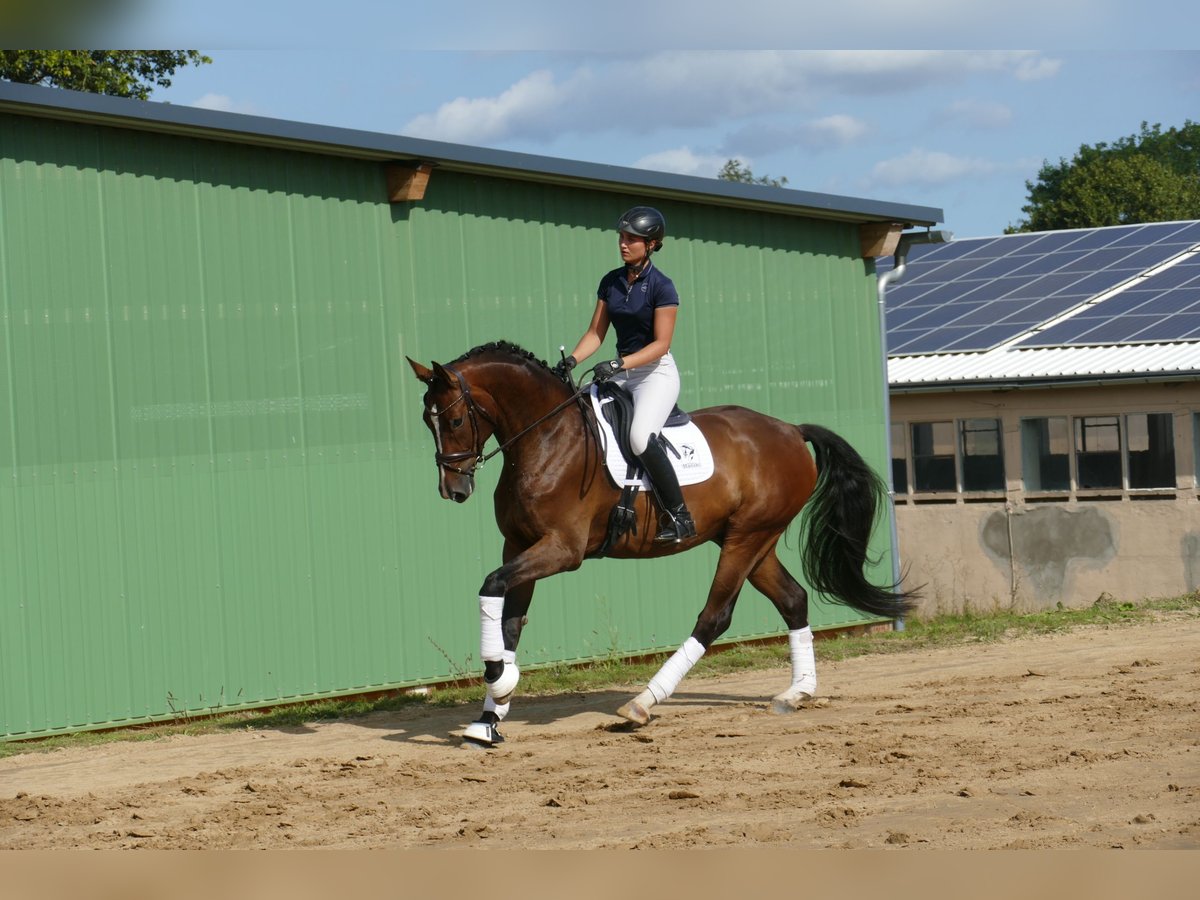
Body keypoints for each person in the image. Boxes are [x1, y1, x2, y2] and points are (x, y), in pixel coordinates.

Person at [555, 206, 697, 543]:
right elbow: (595, 334)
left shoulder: (662, 286)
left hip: (654, 374)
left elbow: (661, 344)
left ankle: (679, 516)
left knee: (638, 437)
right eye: (621, 237)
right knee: (580, 413)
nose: (623, 243)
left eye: (631, 239)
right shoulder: (611, 281)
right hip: (623, 371)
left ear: (651, 244)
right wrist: (572, 360)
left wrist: (619, 364)